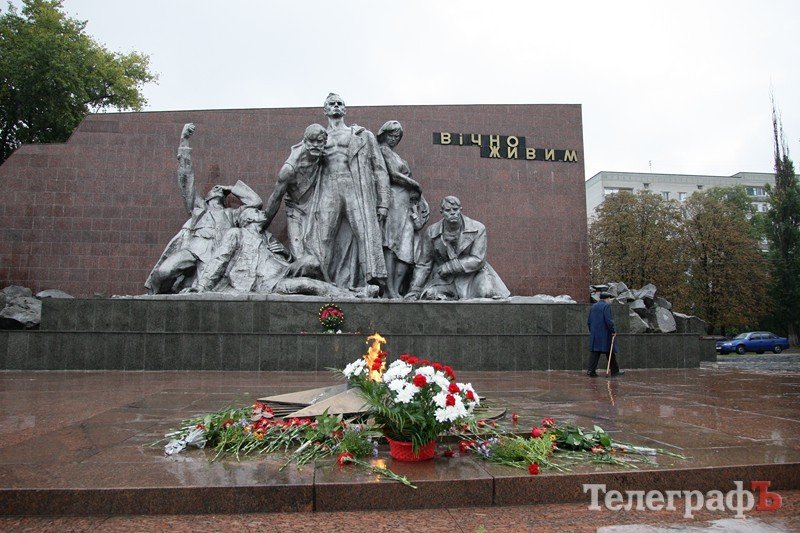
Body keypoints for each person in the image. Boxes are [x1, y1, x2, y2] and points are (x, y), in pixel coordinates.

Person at [145, 123, 262, 294]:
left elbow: (256, 202)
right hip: (194, 249)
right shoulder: (199, 208)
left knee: (201, 292)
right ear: (207, 197)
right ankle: (152, 298)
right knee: (163, 273)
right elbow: (186, 178)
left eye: (219, 188)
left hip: (215, 257)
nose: (217, 189)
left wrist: (231, 188)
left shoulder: (232, 214)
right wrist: (184, 141)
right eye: (213, 188)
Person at [308, 93, 390, 292]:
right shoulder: (317, 138)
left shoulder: (362, 135)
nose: (336, 106)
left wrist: (383, 202)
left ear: (344, 109)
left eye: (339, 103)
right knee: (324, 237)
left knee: (364, 234)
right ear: (325, 110)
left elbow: (379, 169)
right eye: (331, 104)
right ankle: (322, 282)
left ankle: (370, 283)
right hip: (329, 187)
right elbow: (303, 167)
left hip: (355, 188)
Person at [196, 206, 371, 298]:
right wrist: (201, 287)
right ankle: (354, 295)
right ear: (248, 218)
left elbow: (282, 258)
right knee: (307, 285)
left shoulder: (266, 236)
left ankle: (336, 288)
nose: (262, 212)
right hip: (267, 283)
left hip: (283, 270)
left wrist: (285, 254)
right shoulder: (237, 233)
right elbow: (220, 259)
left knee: (312, 261)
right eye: (257, 211)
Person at [405, 196, 510, 301]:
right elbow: (424, 264)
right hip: (446, 280)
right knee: (430, 294)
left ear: (460, 209)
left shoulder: (478, 228)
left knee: (486, 291)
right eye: (448, 210)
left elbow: (478, 259)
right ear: (441, 212)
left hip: (473, 276)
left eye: (455, 209)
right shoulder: (431, 232)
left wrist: (449, 267)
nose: (452, 213)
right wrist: (414, 290)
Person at [262, 124, 327, 271]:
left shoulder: (324, 153)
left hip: (317, 207)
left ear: (324, 142)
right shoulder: (289, 169)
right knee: (300, 258)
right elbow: (276, 197)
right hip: (296, 210)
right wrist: (263, 224)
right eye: (312, 141)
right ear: (304, 141)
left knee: (322, 253)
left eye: (320, 141)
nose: (316, 145)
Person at [376, 120, 430, 298]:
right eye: (391, 135)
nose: (394, 139)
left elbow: (412, 188)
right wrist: (416, 184)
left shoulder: (398, 156)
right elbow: (393, 174)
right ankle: (388, 289)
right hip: (393, 201)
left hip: (406, 204)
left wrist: (420, 199)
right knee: (391, 244)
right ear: (384, 134)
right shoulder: (382, 151)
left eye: (397, 136)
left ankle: (398, 289)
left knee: (406, 249)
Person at [587, 292, 624, 377]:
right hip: (605, 334)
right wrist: (613, 331)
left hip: (595, 334)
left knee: (595, 352)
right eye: (609, 299)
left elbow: (589, 321)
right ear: (606, 299)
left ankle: (591, 370)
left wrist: (592, 331)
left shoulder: (593, 306)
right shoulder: (606, 306)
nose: (610, 301)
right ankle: (615, 371)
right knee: (610, 352)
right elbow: (609, 320)